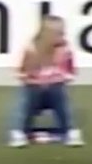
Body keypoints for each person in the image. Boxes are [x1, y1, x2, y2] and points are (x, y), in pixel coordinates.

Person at [7, 15, 84, 148]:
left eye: (62, 32)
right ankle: (19, 131)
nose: (63, 35)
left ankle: (70, 131)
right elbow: (22, 71)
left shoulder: (65, 49)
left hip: (55, 87)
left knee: (61, 98)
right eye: (59, 33)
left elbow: (70, 71)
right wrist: (33, 79)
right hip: (34, 88)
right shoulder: (31, 48)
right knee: (26, 99)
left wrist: (59, 78)